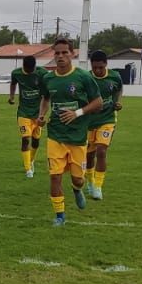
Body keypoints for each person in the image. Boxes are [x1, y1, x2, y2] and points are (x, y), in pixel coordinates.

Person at [37, 38, 103, 226]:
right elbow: (45, 99)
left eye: (64, 52)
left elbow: (98, 103)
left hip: (78, 136)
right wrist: (41, 115)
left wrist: (77, 113)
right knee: (55, 177)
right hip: (55, 135)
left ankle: (76, 189)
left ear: (72, 54)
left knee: (78, 179)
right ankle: (60, 216)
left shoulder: (83, 77)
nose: (60, 56)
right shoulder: (48, 78)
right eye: (57, 53)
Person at [86, 50, 123, 200]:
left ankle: (98, 186)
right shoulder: (86, 78)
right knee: (89, 156)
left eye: (100, 67)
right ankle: (90, 181)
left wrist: (118, 102)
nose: (97, 70)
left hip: (107, 119)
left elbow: (119, 89)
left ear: (106, 64)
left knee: (101, 151)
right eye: (94, 67)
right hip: (89, 122)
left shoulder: (115, 76)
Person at [8, 56, 46, 178]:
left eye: (31, 69)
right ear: (23, 66)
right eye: (27, 69)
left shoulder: (42, 73)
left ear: (35, 66)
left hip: (38, 114)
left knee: (36, 141)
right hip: (23, 113)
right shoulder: (16, 73)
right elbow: (13, 83)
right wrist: (11, 97)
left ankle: (31, 160)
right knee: (25, 139)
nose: (29, 72)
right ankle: (28, 169)